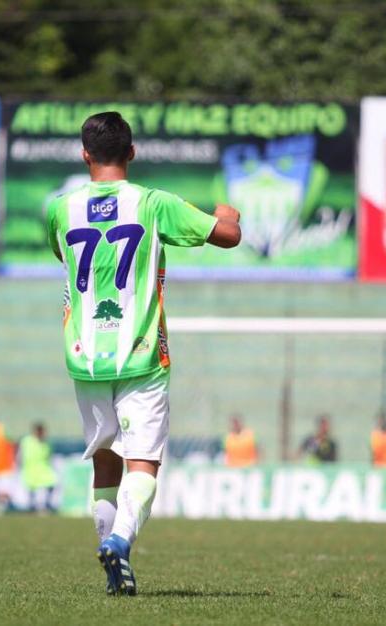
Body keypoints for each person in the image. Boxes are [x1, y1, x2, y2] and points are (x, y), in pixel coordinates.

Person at [46, 111, 241, 596]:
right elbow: (227, 237)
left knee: (105, 463)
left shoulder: (58, 209)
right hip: (141, 356)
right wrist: (228, 214)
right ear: (131, 153)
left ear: (84, 154)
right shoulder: (154, 204)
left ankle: (115, 572)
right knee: (143, 464)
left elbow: (64, 256)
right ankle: (119, 541)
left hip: (85, 358)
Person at [19, 422, 58, 513]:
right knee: (31, 490)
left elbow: (49, 456)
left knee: (51, 484)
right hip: (30, 470)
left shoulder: (47, 443)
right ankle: (32, 507)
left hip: (44, 469)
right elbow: (20, 455)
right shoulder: (26, 441)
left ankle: (45, 505)